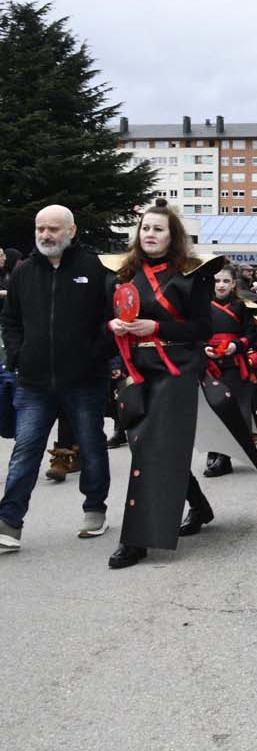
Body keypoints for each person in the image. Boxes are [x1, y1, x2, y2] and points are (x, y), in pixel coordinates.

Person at [104, 200, 220, 569]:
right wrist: (113, 327)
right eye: (145, 228)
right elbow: (105, 318)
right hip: (136, 370)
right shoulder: (123, 275)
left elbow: (203, 329)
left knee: (153, 446)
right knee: (147, 447)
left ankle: (138, 539)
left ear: (173, 236)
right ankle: (198, 506)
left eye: (158, 229)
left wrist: (157, 327)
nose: (150, 234)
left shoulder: (191, 275)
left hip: (177, 370)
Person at [0, 205, 113, 554]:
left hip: (84, 380)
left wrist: (94, 356)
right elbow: (11, 320)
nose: (46, 235)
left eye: (53, 229)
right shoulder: (22, 272)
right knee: (25, 451)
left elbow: (108, 321)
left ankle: (95, 508)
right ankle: (9, 521)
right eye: (40, 229)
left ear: (71, 231)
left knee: (92, 447)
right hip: (33, 382)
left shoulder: (93, 268)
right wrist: (17, 355)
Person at [201, 264, 257, 478]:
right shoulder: (204, 306)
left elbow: (251, 334)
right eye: (217, 281)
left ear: (234, 283)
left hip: (233, 363)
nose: (221, 285)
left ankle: (224, 457)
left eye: (226, 281)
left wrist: (236, 345)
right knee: (211, 409)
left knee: (231, 409)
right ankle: (214, 451)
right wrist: (204, 347)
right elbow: (196, 332)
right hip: (210, 363)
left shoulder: (241, 307)